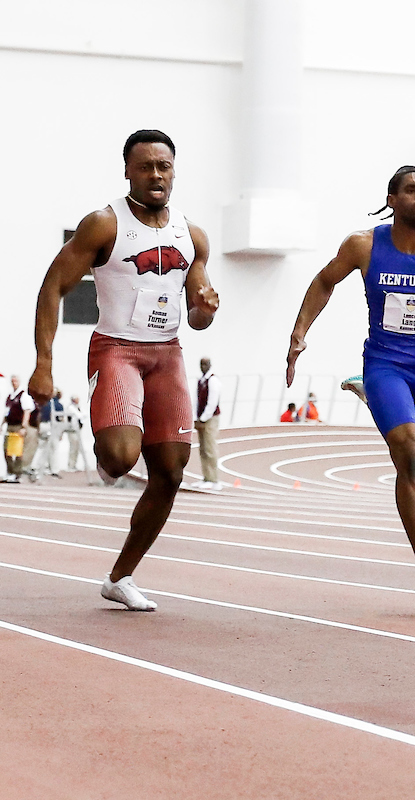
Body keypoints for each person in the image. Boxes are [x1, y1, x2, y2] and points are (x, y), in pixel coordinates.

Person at [30, 129, 219, 611]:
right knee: (118, 460)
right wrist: (43, 365)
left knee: (172, 472)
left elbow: (197, 315)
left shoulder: (192, 235)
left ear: (174, 172)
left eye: (164, 167)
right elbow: (53, 288)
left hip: (168, 354)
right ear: (128, 171)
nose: (156, 175)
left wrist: (206, 309)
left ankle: (121, 575)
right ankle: (109, 445)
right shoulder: (103, 224)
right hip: (116, 348)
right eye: (145, 167)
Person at [286, 165, 415, 609]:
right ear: (392, 199)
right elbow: (324, 281)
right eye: (412, 190)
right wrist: (300, 332)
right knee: (409, 457)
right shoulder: (365, 244)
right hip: (385, 362)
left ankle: (373, 397)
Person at [193, 357, 222, 489]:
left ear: (210, 365)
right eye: (201, 364)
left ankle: (214, 479)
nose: (203, 366)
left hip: (210, 419)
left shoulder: (213, 380)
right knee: (203, 449)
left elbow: (212, 402)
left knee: (210, 448)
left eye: (205, 364)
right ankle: (206, 477)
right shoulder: (201, 380)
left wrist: (203, 418)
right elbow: (197, 401)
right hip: (202, 418)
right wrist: (196, 417)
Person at [4, 375, 35, 482]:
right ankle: (10, 471)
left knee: (17, 451)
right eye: (12, 381)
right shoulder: (10, 397)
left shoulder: (23, 395)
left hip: (18, 426)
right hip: (9, 426)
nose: (14, 383)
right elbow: (6, 412)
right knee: (7, 450)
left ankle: (17, 473)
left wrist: (23, 427)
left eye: (15, 380)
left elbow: (27, 411)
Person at [64, 394, 86, 472]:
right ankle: (70, 465)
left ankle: (74, 465)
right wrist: (81, 415)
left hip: (78, 430)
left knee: (77, 448)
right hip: (72, 431)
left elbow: (84, 414)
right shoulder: (70, 407)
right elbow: (79, 415)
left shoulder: (78, 407)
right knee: (73, 448)